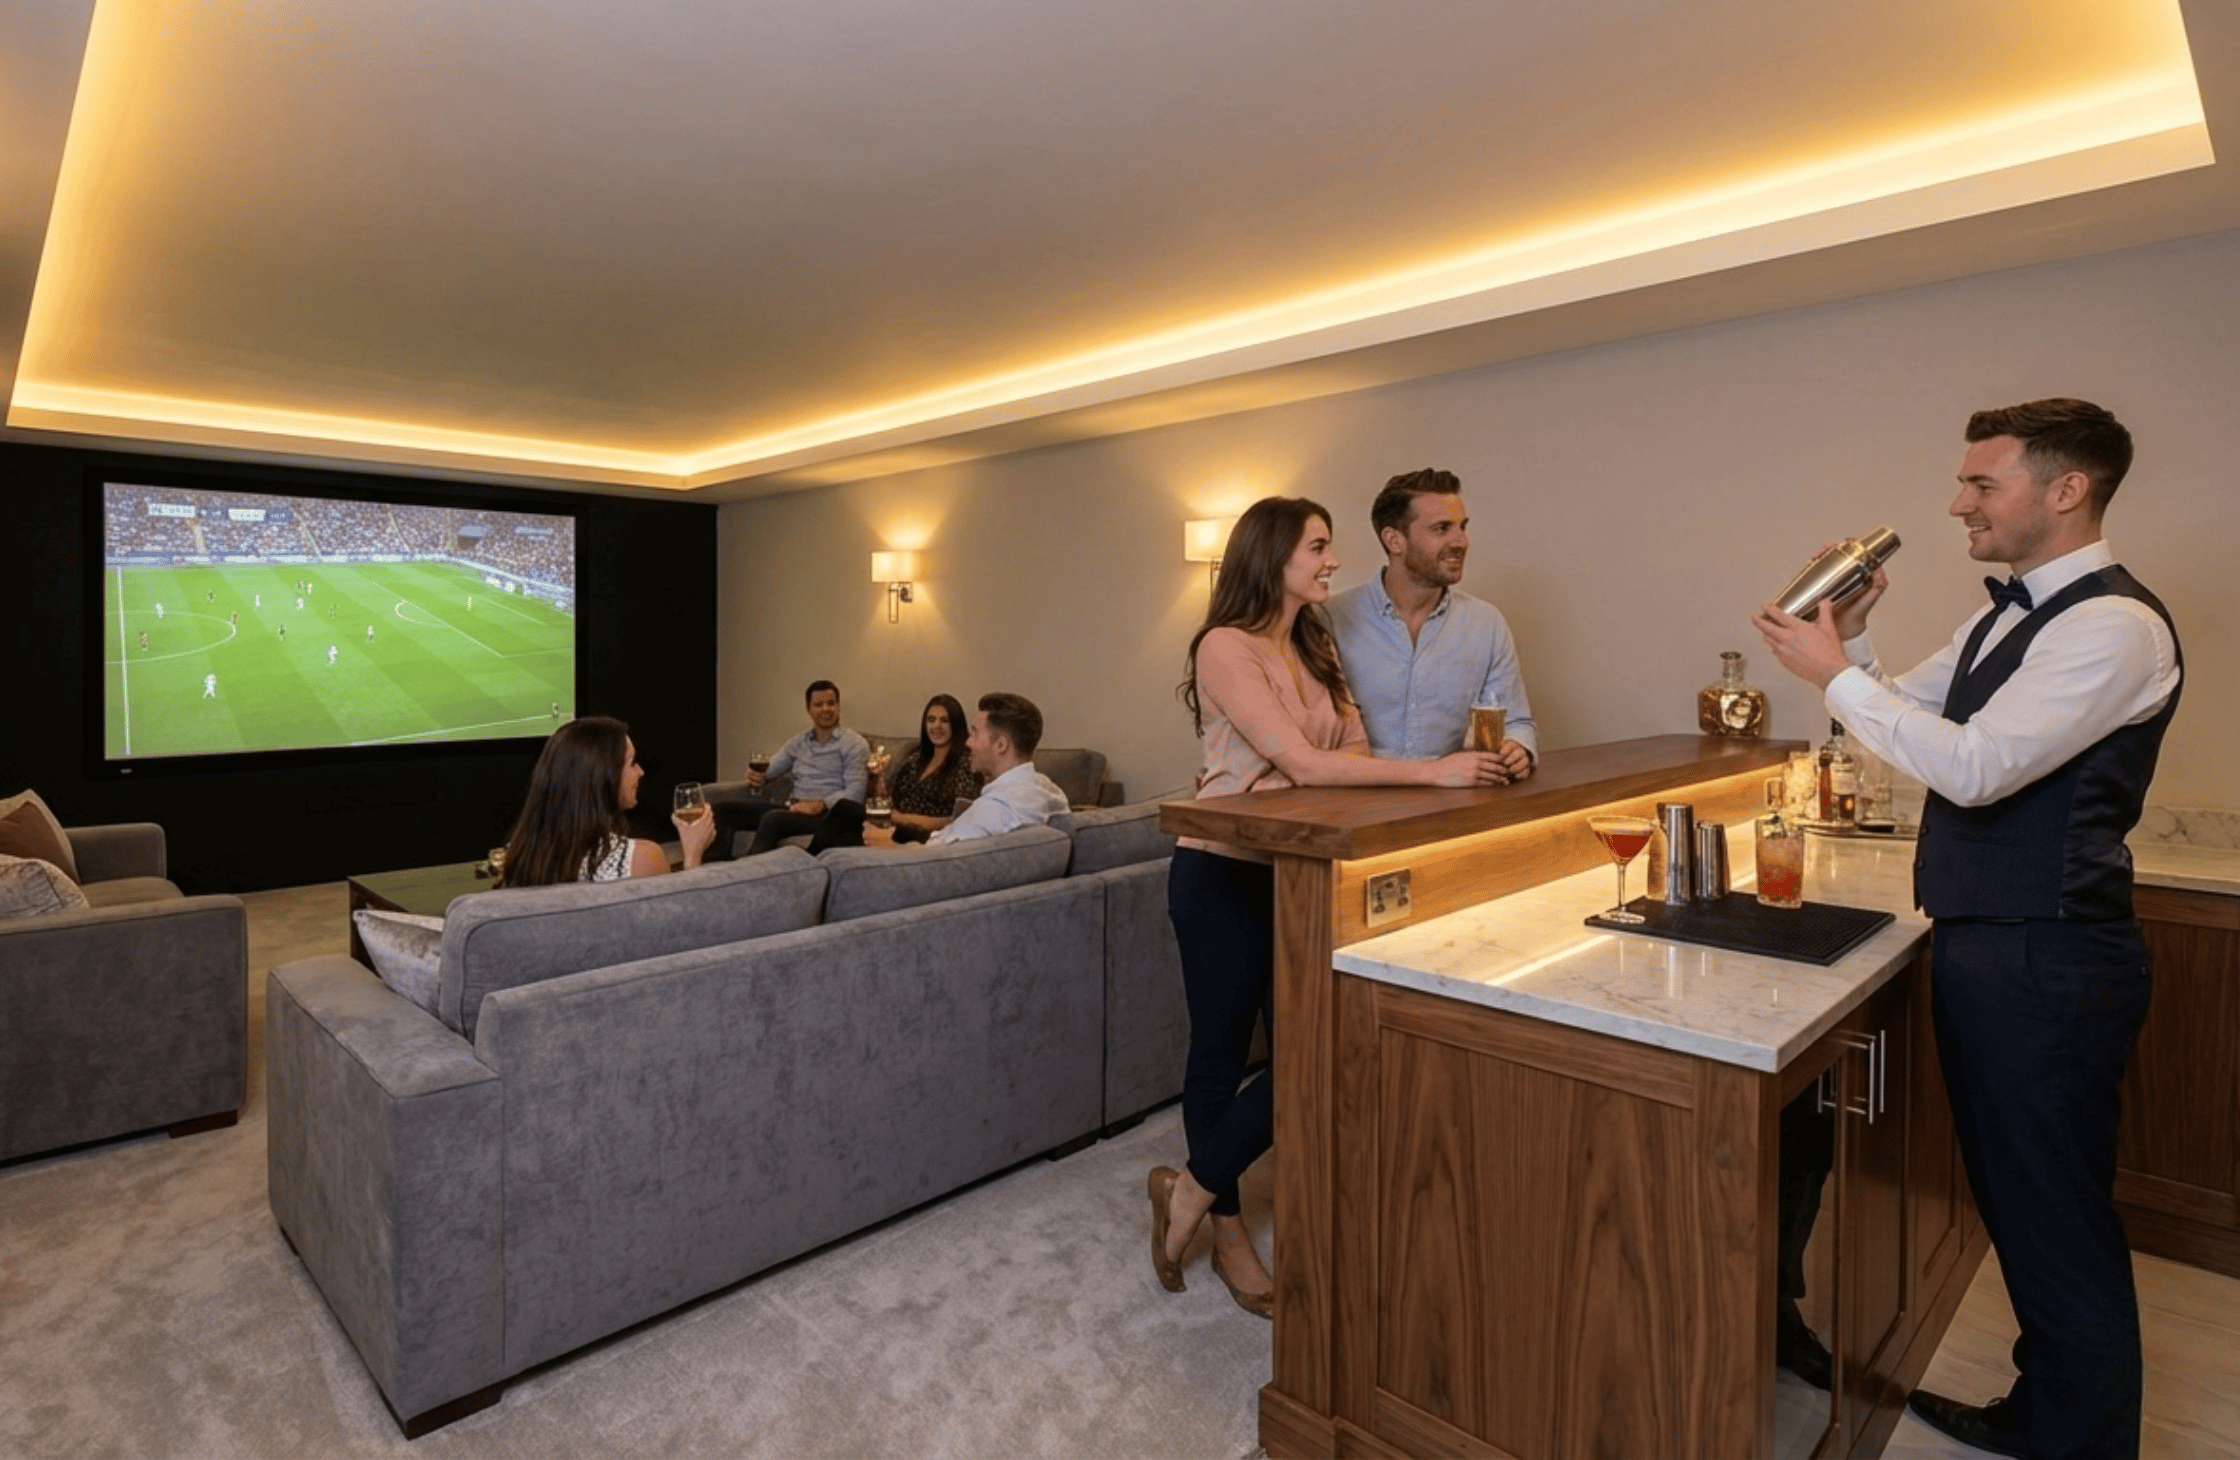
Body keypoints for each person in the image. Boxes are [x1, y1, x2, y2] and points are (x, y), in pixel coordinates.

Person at [1753, 399, 2180, 1460]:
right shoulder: (2006, 618)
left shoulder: (2111, 626)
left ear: (2065, 487)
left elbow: (1975, 766)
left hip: (2052, 952)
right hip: (1992, 941)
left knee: (2056, 1217)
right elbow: (1908, 715)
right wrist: (1849, 647)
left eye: (1981, 483)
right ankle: (2044, 1413)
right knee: (2022, 1203)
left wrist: (1830, 673)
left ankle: (2080, 1442)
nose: (1956, 503)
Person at [1149, 495, 1507, 1320]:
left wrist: (1361, 768)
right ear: (1271, 556)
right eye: (1316, 546)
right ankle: (1229, 1234)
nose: (1331, 561)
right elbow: (1305, 764)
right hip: (1221, 873)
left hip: (1298, 872)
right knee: (1219, 1055)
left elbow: (1346, 751)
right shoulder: (1224, 648)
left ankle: (1189, 1190)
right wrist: (1440, 772)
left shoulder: (1314, 644)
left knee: (1307, 1053)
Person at [1326, 468, 1537, 778]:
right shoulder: (1330, 618)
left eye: (1462, 527)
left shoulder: (1486, 624)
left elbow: (1516, 722)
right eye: (1442, 529)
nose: (1460, 541)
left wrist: (1519, 748)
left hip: (1451, 803)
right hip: (1355, 801)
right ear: (1394, 540)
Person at [498, 714, 715, 887]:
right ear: (603, 777)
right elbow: (680, 928)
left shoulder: (519, 858)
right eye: (631, 763)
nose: (640, 772)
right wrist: (693, 856)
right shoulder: (643, 859)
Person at [833, 693, 1064, 852]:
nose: (968, 743)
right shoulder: (1053, 795)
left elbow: (933, 861)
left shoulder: (991, 811)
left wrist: (888, 845)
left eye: (974, 733)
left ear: (1001, 745)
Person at [732, 680, 869, 856]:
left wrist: (821, 804)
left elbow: (855, 794)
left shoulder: (854, 744)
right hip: (794, 810)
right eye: (818, 705)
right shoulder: (798, 742)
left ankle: (750, 876)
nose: (826, 709)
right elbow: (770, 770)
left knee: (772, 819)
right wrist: (757, 775)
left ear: (839, 706)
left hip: (826, 816)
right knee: (726, 811)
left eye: (831, 703)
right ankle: (704, 872)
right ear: (808, 709)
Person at [887, 694, 983, 836]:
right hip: (894, 828)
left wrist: (906, 819)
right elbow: (891, 799)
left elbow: (960, 818)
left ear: (956, 725)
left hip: (931, 838)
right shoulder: (915, 756)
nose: (936, 726)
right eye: (931, 720)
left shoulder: (967, 762)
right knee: (849, 810)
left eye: (944, 721)